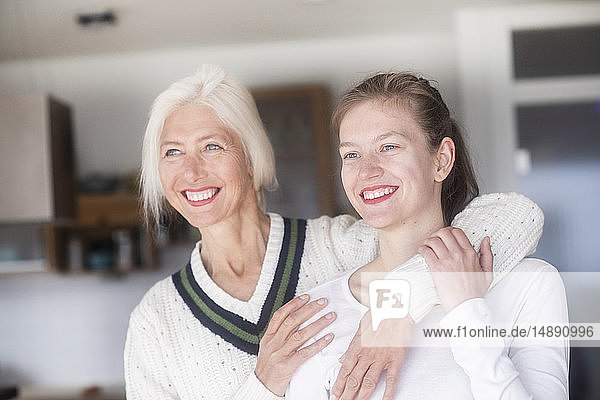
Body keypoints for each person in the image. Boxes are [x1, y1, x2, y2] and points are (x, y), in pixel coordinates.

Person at [124, 65, 545, 400]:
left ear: (251, 156)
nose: (191, 172)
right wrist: (264, 382)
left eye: (212, 146)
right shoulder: (156, 320)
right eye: (172, 153)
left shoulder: (342, 247)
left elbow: (514, 217)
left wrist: (395, 303)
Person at [286, 72, 569, 400]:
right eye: (351, 154)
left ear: (442, 160)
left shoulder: (530, 285)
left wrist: (466, 310)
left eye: (388, 146)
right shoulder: (316, 313)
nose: (366, 170)